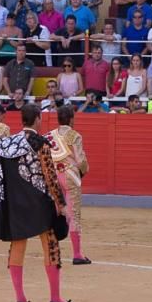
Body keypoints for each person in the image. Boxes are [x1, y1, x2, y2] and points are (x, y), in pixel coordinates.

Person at [0, 104, 74, 302]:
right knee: (51, 246)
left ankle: (20, 298)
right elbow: (49, 176)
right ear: (38, 119)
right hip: (40, 203)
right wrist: (61, 204)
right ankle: (55, 298)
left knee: (17, 246)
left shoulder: (7, 143)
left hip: (15, 204)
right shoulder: (40, 143)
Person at [45, 105, 91, 265]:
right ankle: (77, 254)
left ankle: (51, 249)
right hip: (70, 176)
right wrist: (83, 171)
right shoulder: (75, 136)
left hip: (53, 178)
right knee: (73, 215)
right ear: (71, 119)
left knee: (55, 212)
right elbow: (81, 161)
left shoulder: (49, 136)